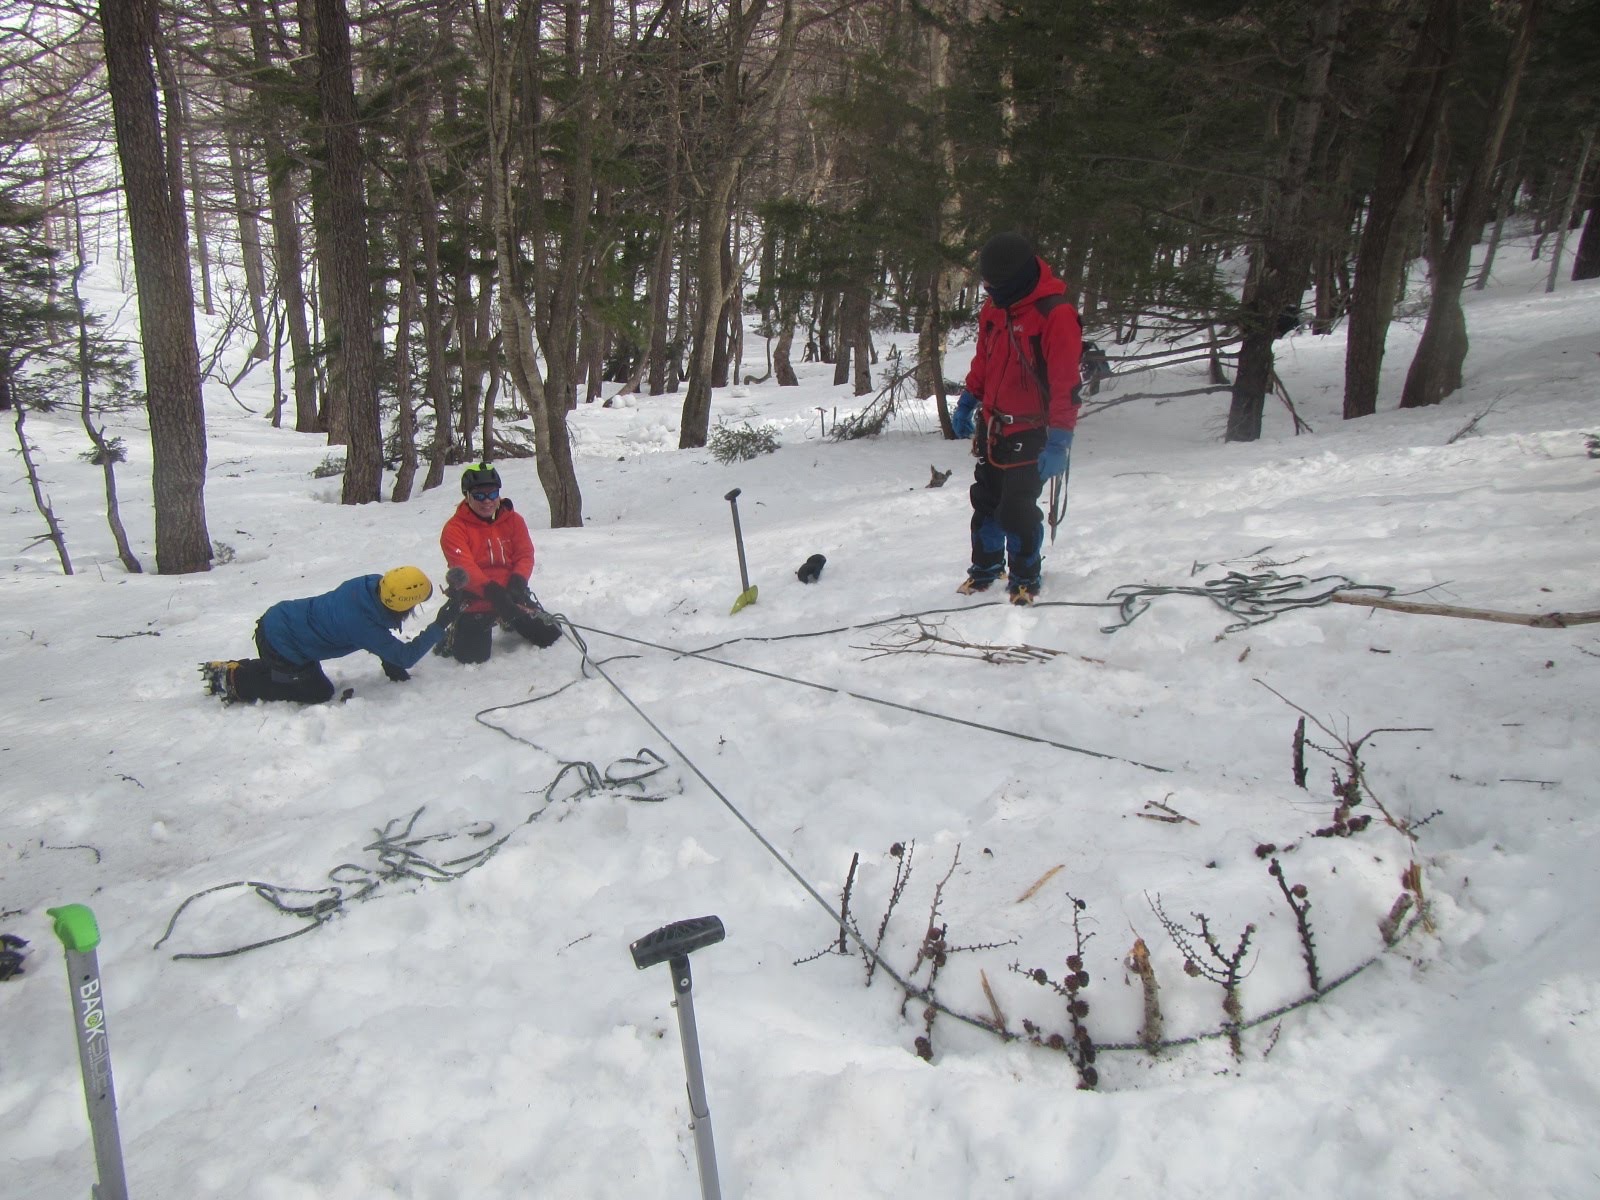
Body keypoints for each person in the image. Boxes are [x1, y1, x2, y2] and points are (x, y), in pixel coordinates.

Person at [950, 232, 1083, 605]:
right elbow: (985, 361)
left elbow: (1065, 384)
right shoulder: (994, 308)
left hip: (1033, 430)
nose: (988, 288)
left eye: (995, 283)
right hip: (993, 426)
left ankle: (1025, 576)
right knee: (986, 502)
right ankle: (986, 569)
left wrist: (1059, 439)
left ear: (1016, 278)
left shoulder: (1055, 315)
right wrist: (969, 398)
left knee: (1017, 509)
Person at [202, 567, 457, 704]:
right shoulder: (362, 625)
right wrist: (441, 623)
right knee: (318, 692)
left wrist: (389, 661)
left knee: (301, 673)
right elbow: (405, 656)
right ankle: (235, 679)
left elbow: (379, 631)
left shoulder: (373, 585)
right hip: (281, 645)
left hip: (282, 620)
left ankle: (259, 670)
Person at [438, 462, 562, 663]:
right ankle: (453, 634)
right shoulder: (454, 529)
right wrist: (493, 593)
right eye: (479, 495)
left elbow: (524, 554)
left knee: (550, 634)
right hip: (476, 598)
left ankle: (507, 620)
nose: (487, 501)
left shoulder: (514, 520)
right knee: (472, 657)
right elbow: (464, 567)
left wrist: (518, 583)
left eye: (492, 494)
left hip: (512, 595)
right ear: (467, 496)